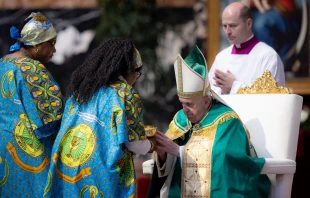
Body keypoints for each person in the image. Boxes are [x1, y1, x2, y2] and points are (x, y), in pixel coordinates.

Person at [147, 46, 271, 197]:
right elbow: (168, 159)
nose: (185, 110)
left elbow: (223, 159)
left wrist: (179, 151)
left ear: (206, 101)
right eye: (182, 103)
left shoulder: (227, 121)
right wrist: (162, 153)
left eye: (190, 104)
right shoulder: (181, 119)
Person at [44, 38, 156, 197]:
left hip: (65, 170)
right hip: (98, 176)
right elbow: (135, 145)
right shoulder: (124, 94)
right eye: (137, 74)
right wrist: (152, 144)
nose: (136, 79)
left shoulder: (82, 87)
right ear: (131, 70)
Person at [0, 12, 63, 197]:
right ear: (36, 45)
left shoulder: (2, 63)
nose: (54, 50)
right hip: (26, 153)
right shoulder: (32, 69)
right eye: (50, 44)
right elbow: (50, 120)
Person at [208, 2, 285, 95]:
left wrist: (234, 86)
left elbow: (273, 99)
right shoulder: (221, 57)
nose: (227, 31)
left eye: (233, 25)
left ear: (248, 23)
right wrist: (222, 91)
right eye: (225, 26)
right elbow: (208, 95)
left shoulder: (268, 56)